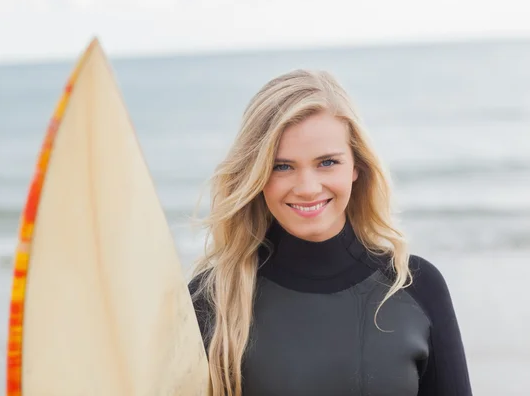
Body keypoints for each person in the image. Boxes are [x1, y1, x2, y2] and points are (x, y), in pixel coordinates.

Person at [188, 69, 472, 396]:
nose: (308, 188)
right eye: (282, 166)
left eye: (327, 162)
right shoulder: (212, 299)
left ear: (356, 167)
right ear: (256, 175)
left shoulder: (417, 287)